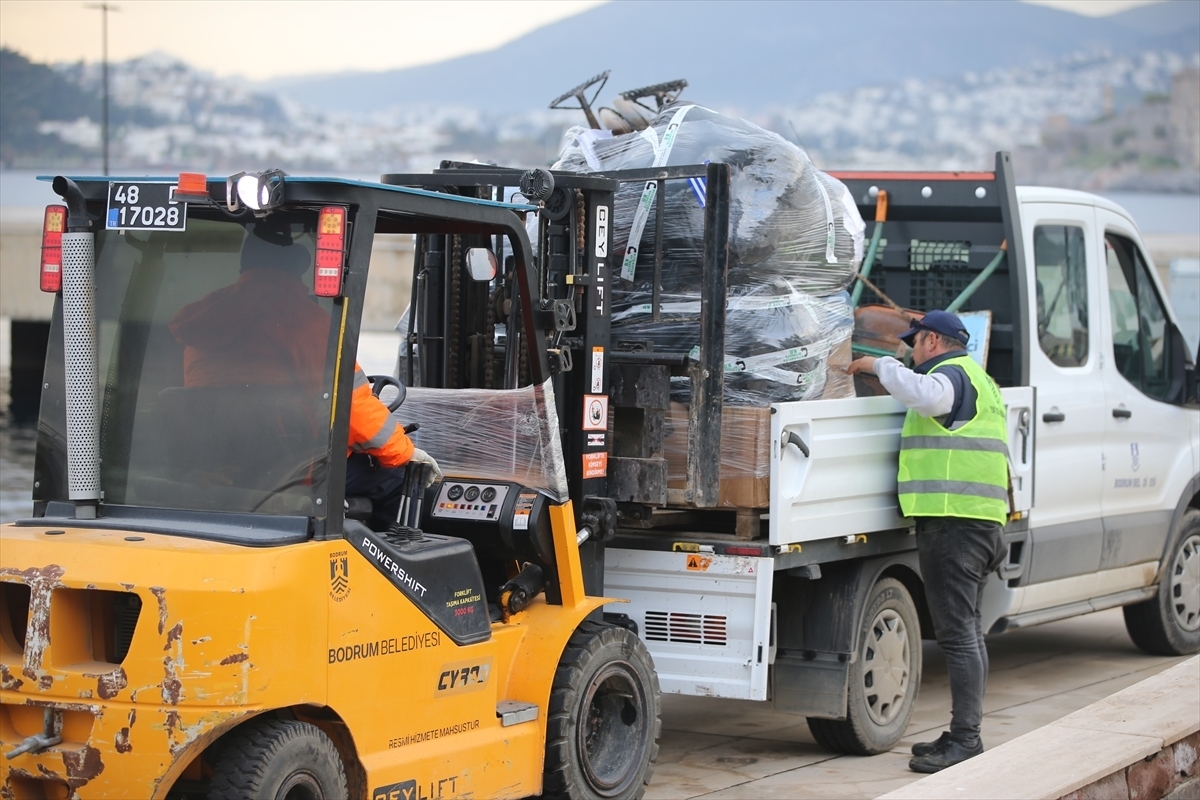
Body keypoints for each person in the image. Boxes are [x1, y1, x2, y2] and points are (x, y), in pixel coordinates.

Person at [169, 221, 441, 529]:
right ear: (299, 266)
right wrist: (403, 453)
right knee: (403, 482)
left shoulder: (206, 322)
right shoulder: (302, 320)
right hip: (296, 469)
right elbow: (351, 406)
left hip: (230, 465)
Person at [847, 309, 1009, 774]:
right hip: (980, 524)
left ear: (933, 341)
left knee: (958, 637)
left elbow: (927, 397)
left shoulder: (950, 376)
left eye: (914, 344)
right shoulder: (983, 380)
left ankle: (965, 739)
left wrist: (878, 365)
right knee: (968, 635)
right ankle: (964, 731)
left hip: (955, 525)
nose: (911, 352)